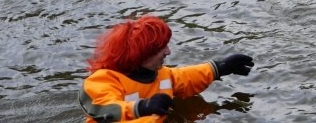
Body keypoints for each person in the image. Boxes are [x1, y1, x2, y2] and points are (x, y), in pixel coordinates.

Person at [78, 15, 254, 123]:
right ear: (142, 53)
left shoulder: (160, 74)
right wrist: (141, 107)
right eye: (161, 48)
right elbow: (102, 109)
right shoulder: (102, 81)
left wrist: (221, 68)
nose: (168, 52)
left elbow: (184, 77)